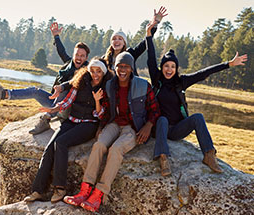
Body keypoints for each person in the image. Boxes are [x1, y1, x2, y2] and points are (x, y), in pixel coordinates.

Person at [145, 18, 248, 176]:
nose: (169, 69)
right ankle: (163, 158)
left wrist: (228, 64)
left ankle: (208, 154)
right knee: (163, 119)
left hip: (177, 129)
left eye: (172, 66)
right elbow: (150, 57)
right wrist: (148, 35)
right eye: (166, 66)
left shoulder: (181, 82)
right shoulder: (157, 79)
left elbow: (204, 73)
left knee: (198, 117)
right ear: (162, 67)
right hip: (160, 128)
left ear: (176, 68)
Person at [63, 52, 160, 212]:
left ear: (131, 69)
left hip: (132, 128)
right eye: (119, 66)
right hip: (114, 124)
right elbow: (107, 111)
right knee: (99, 145)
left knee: (115, 150)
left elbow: (155, 110)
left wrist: (148, 126)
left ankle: (98, 195)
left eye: (126, 67)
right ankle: (84, 190)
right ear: (115, 68)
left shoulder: (143, 85)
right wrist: (101, 127)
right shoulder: (110, 85)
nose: (122, 70)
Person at [23, 57, 113, 203]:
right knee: (50, 147)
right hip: (71, 120)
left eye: (98, 71)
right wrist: (53, 109)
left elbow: (101, 115)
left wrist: (97, 100)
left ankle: (60, 188)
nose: (95, 74)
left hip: (89, 124)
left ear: (103, 72)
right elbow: (68, 101)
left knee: (62, 143)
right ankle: (38, 190)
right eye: (92, 71)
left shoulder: (107, 87)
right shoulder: (81, 82)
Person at [0, 29, 90, 135]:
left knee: (66, 91)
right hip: (54, 102)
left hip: (66, 108)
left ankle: (46, 119)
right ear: (73, 55)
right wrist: (56, 36)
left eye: (82, 56)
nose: (79, 58)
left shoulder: (87, 71)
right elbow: (61, 51)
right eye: (77, 55)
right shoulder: (69, 63)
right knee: (34, 91)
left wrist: (61, 88)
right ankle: (3, 94)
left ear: (87, 58)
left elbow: (73, 83)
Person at [51, 6, 166, 76]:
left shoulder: (130, 54)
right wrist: (57, 37)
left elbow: (143, 45)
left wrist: (154, 26)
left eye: (120, 39)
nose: (117, 41)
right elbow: (66, 57)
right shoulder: (104, 58)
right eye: (114, 39)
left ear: (124, 43)